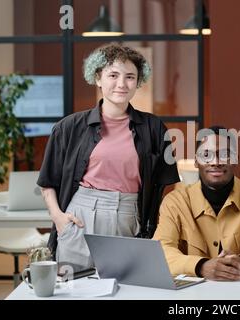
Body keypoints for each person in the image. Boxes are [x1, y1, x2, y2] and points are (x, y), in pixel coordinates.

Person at [37, 43, 179, 268]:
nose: (122, 84)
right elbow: (47, 182)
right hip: (79, 218)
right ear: (98, 78)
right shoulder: (69, 127)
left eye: (130, 77)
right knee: (76, 291)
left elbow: (164, 186)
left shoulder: (154, 128)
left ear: (138, 82)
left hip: (130, 217)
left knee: (127, 289)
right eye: (113, 75)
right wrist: (58, 218)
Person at [153, 126, 240, 281]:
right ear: (196, 162)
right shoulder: (175, 202)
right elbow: (160, 252)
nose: (215, 162)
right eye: (206, 154)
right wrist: (201, 266)